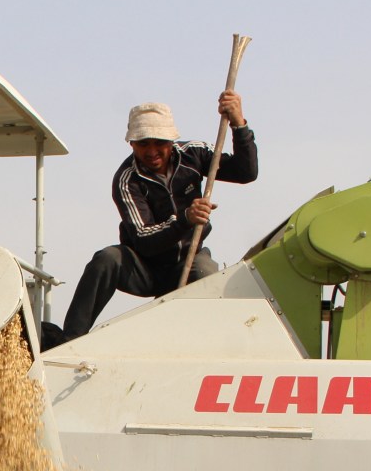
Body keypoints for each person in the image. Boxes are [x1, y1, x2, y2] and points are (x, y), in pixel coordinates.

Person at [58, 92, 258, 343]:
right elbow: (143, 238)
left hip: (188, 260)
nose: (152, 151)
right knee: (107, 259)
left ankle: (208, 344)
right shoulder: (126, 180)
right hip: (145, 268)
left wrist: (239, 124)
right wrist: (185, 218)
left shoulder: (194, 154)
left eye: (158, 143)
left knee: (206, 272)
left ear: (171, 141)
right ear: (131, 144)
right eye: (143, 144)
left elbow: (246, 172)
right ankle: (70, 339)